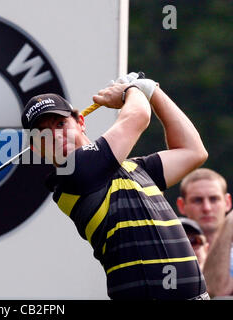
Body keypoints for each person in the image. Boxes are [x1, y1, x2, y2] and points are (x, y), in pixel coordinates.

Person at [21, 72, 209, 300]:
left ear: (81, 122)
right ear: (36, 149)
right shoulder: (73, 174)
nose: (57, 137)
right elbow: (138, 116)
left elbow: (193, 151)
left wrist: (153, 91)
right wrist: (132, 90)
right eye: (42, 135)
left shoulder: (134, 169)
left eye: (61, 124)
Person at [176, 168, 233, 296]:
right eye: (197, 200)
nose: (207, 208)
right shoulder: (171, 254)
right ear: (181, 205)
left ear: (228, 202)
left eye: (214, 199)